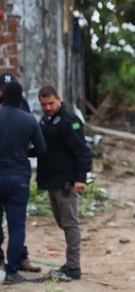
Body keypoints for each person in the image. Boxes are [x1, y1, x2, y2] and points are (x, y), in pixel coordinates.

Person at [37, 86, 92, 281]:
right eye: (43, 104)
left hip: (67, 181)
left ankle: (74, 267)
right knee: (63, 223)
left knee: (70, 224)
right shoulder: (46, 120)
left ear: (59, 99)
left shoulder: (69, 121)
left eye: (51, 103)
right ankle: (70, 263)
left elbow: (82, 151)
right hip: (52, 180)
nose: (48, 107)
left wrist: (80, 178)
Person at [0, 81, 46, 284]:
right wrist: (24, 151)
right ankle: (12, 271)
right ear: (21, 97)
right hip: (19, 178)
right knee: (17, 227)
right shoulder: (29, 120)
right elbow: (42, 150)